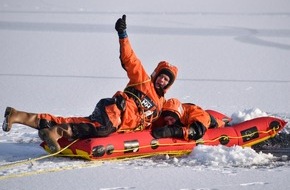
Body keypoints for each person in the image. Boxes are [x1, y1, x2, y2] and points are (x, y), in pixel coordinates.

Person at [2, 15, 178, 153]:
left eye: (166, 80)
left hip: (118, 122)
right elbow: (130, 59)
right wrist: (122, 35)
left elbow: (161, 121)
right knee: (102, 129)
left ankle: (17, 115)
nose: (162, 80)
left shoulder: (160, 106)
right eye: (161, 76)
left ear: (168, 84)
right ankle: (55, 133)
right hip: (113, 110)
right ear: (156, 75)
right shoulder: (143, 80)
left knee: (74, 121)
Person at [151, 98, 225, 141]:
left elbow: (197, 131)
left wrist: (173, 131)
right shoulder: (175, 117)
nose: (169, 123)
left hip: (218, 128)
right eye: (167, 121)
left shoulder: (195, 113)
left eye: (171, 119)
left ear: (178, 116)